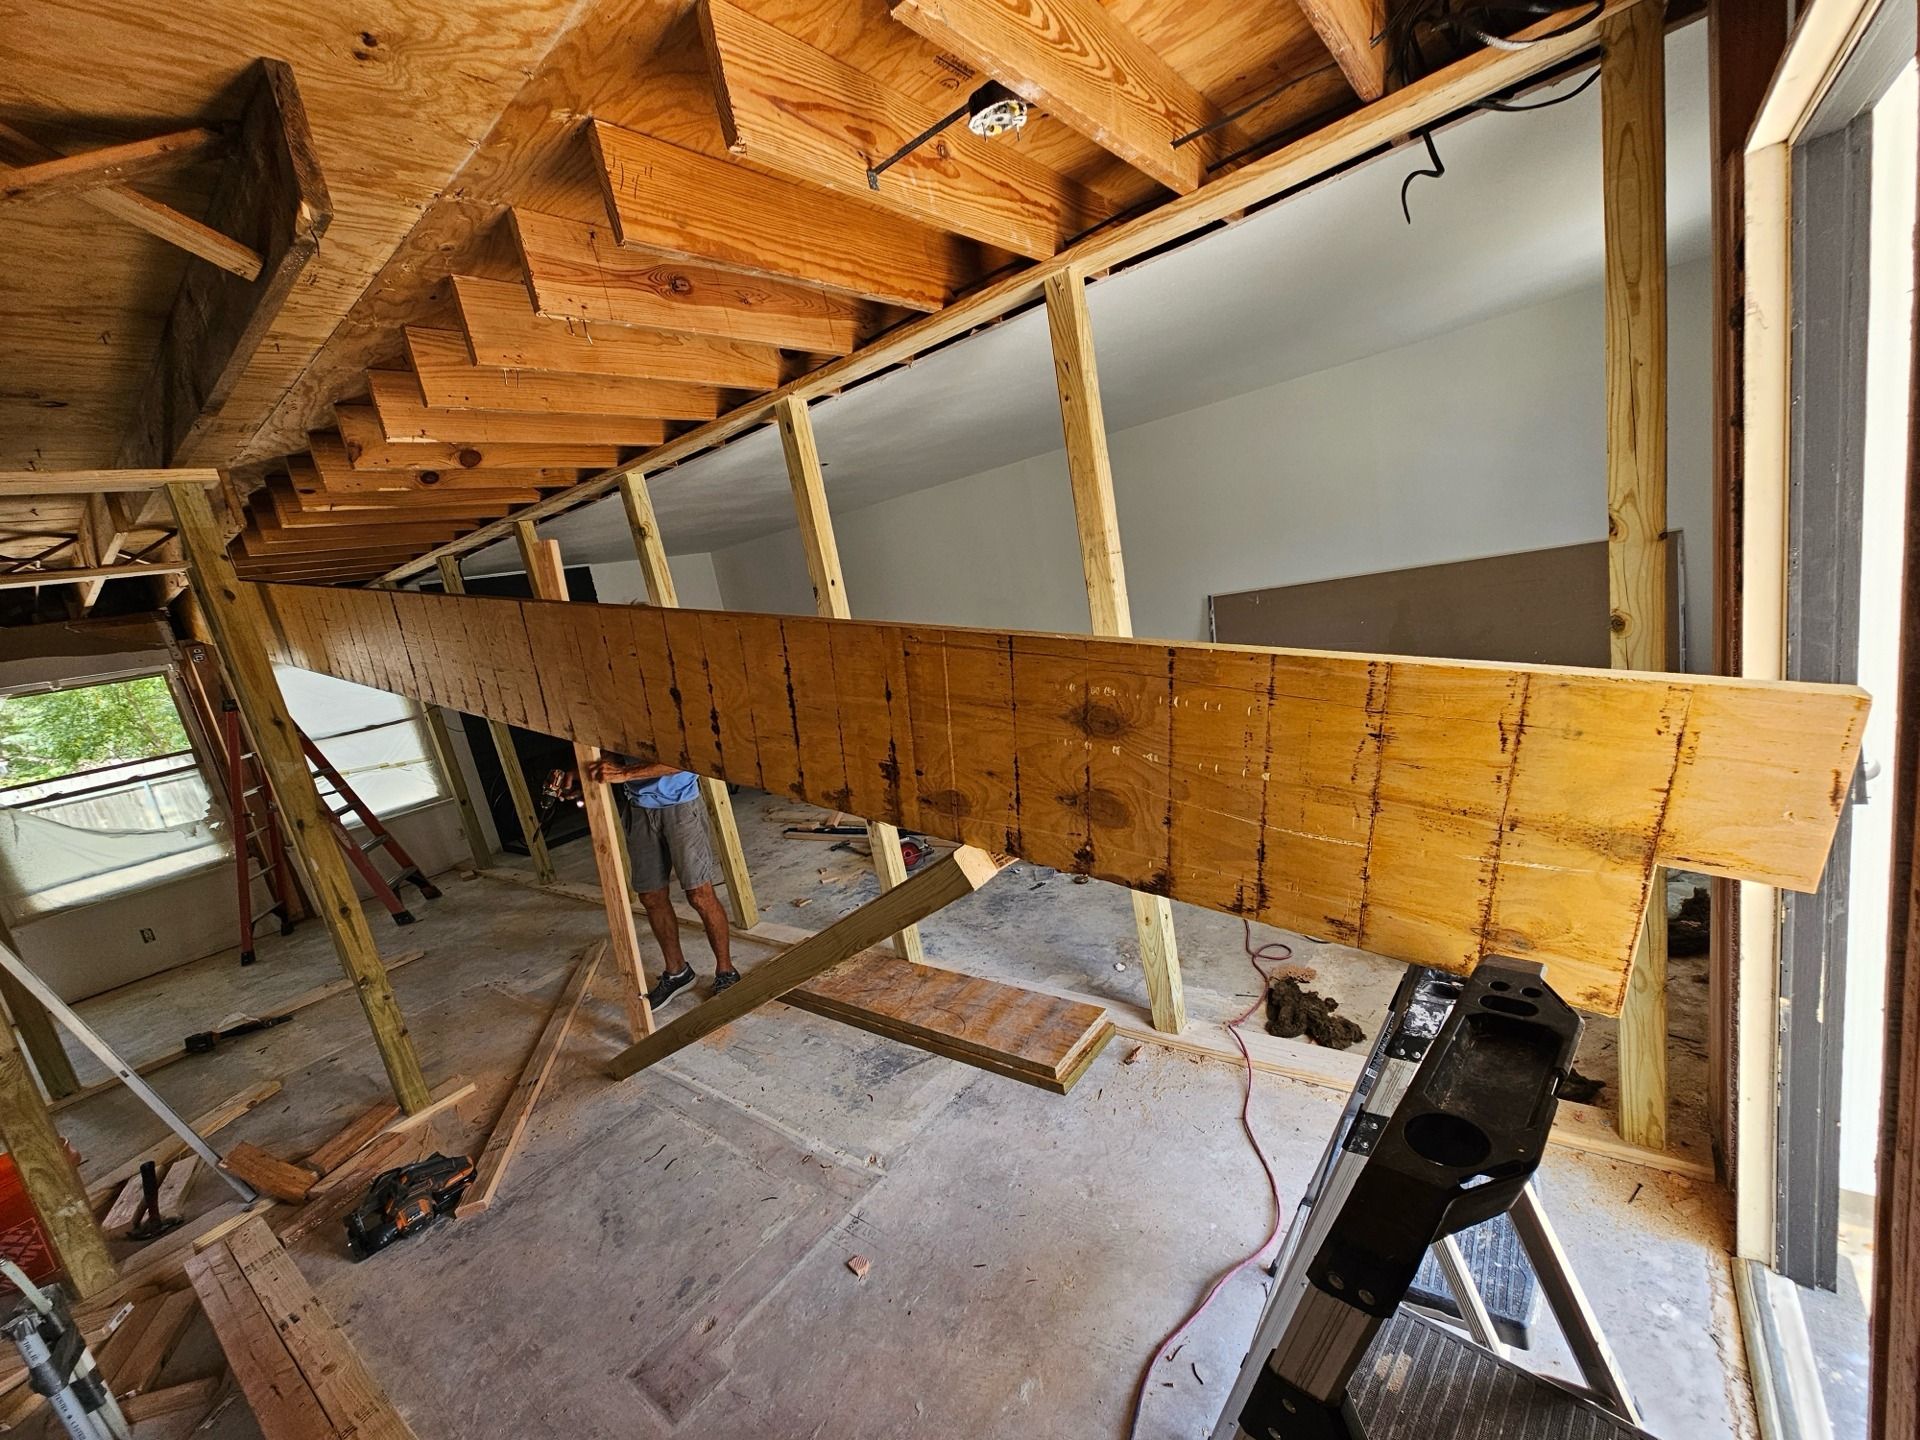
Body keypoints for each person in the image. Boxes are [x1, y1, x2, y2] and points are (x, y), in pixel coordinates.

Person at [585, 755, 738, 1008]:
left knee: (699, 893)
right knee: (651, 896)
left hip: (681, 805)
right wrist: (585, 770)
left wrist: (624, 774)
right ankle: (678, 972)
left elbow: (687, 758)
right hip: (639, 808)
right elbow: (614, 751)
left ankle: (726, 971)